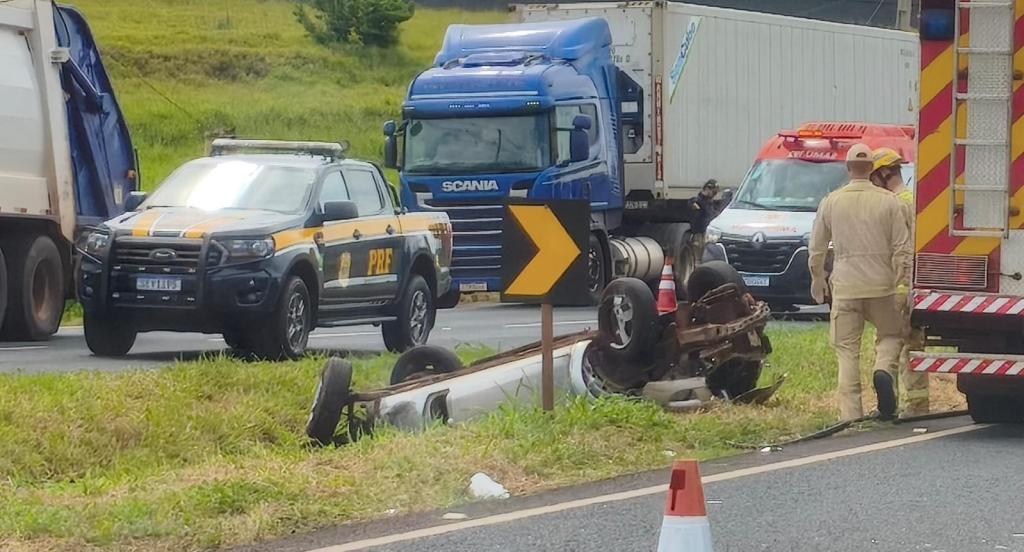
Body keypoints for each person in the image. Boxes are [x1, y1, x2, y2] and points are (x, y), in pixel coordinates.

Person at [808, 144, 912, 422]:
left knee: (846, 351)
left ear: (848, 168)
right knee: (891, 336)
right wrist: (904, 283)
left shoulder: (831, 201)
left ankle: (851, 416)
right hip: (882, 287)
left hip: (846, 287)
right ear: (871, 170)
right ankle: (883, 369)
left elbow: (816, 249)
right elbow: (903, 250)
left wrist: (818, 280)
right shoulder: (891, 202)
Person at [871, 147, 929, 416]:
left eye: (873, 177)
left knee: (890, 342)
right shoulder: (912, 201)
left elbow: (897, 251)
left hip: (896, 286)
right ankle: (918, 406)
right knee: (914, 345)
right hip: (914, 285)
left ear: (883, 174)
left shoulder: (893, 204)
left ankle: (894, 406)